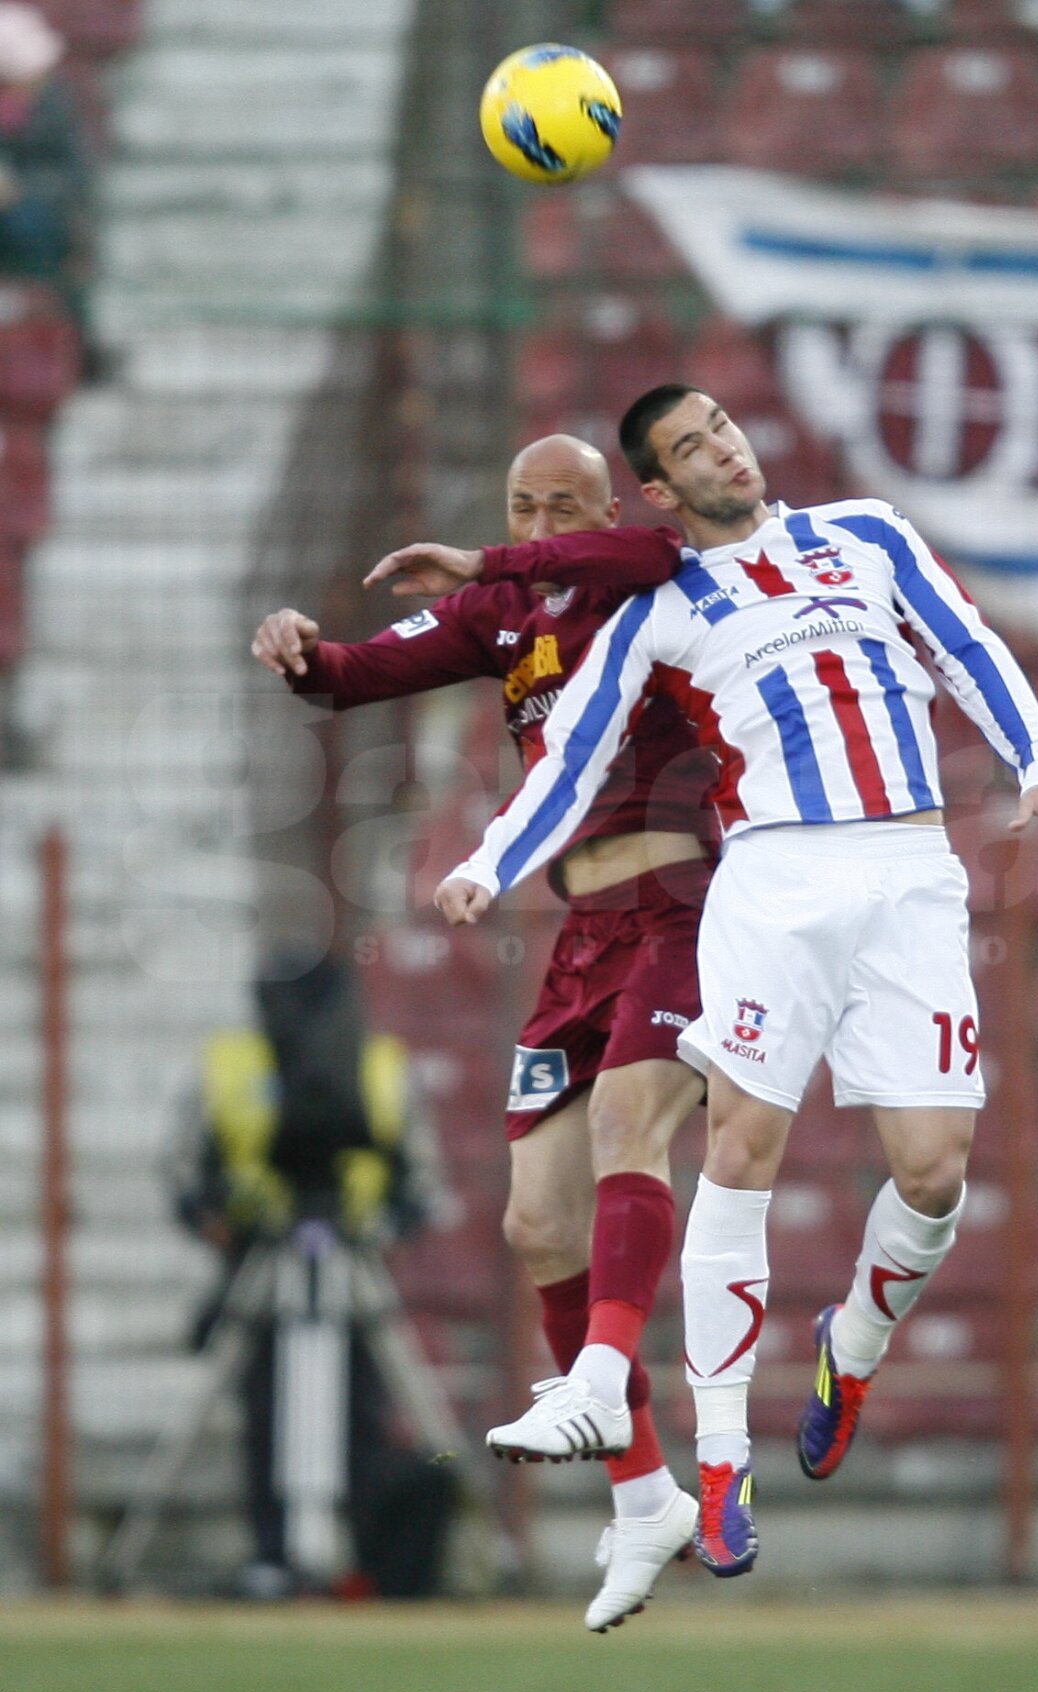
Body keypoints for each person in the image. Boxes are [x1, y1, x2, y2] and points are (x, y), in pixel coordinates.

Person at [434, 386, 1038, 1579]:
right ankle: (721, 1463)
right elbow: (571, 752)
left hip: (910, 870)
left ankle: (851, 1344)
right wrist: (489, 862)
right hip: (769, 880)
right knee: (739, 1149)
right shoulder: (661, 609)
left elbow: (968, 643)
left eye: (723, 426)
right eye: (692, 447)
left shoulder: (867, 533)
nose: (726, 449)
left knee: (935, 1172)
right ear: (661, 489)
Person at [251, 435, 714, 1631]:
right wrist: (302, 653)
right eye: (523, 505)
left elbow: (654, 545)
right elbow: (358, 671)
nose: (543, 524)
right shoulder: (503, 616)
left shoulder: (649, 577)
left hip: (685, 912)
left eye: (565, 506)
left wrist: (487, 556)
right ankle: (645, 1494)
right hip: (581, 937)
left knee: (625, 1129)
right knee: (536, 1221)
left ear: (604, 508)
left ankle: (597, 1378)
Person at [174, 951, 452, 1600]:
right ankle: (274, 1556)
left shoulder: (382, 1068)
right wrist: (218, 1219)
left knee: (366, 1412)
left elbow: (419, 1176)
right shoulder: (230, 1065)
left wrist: (386, 1228)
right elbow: (189, 1172)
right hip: (262, 1262)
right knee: (264, 1412)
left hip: (354, 1268)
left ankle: (369, 1560)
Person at [0, 5, 93, 336]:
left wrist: (18, 191)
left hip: (38, 218)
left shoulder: (54, 105)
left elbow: (75, 173)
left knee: (30, 226)